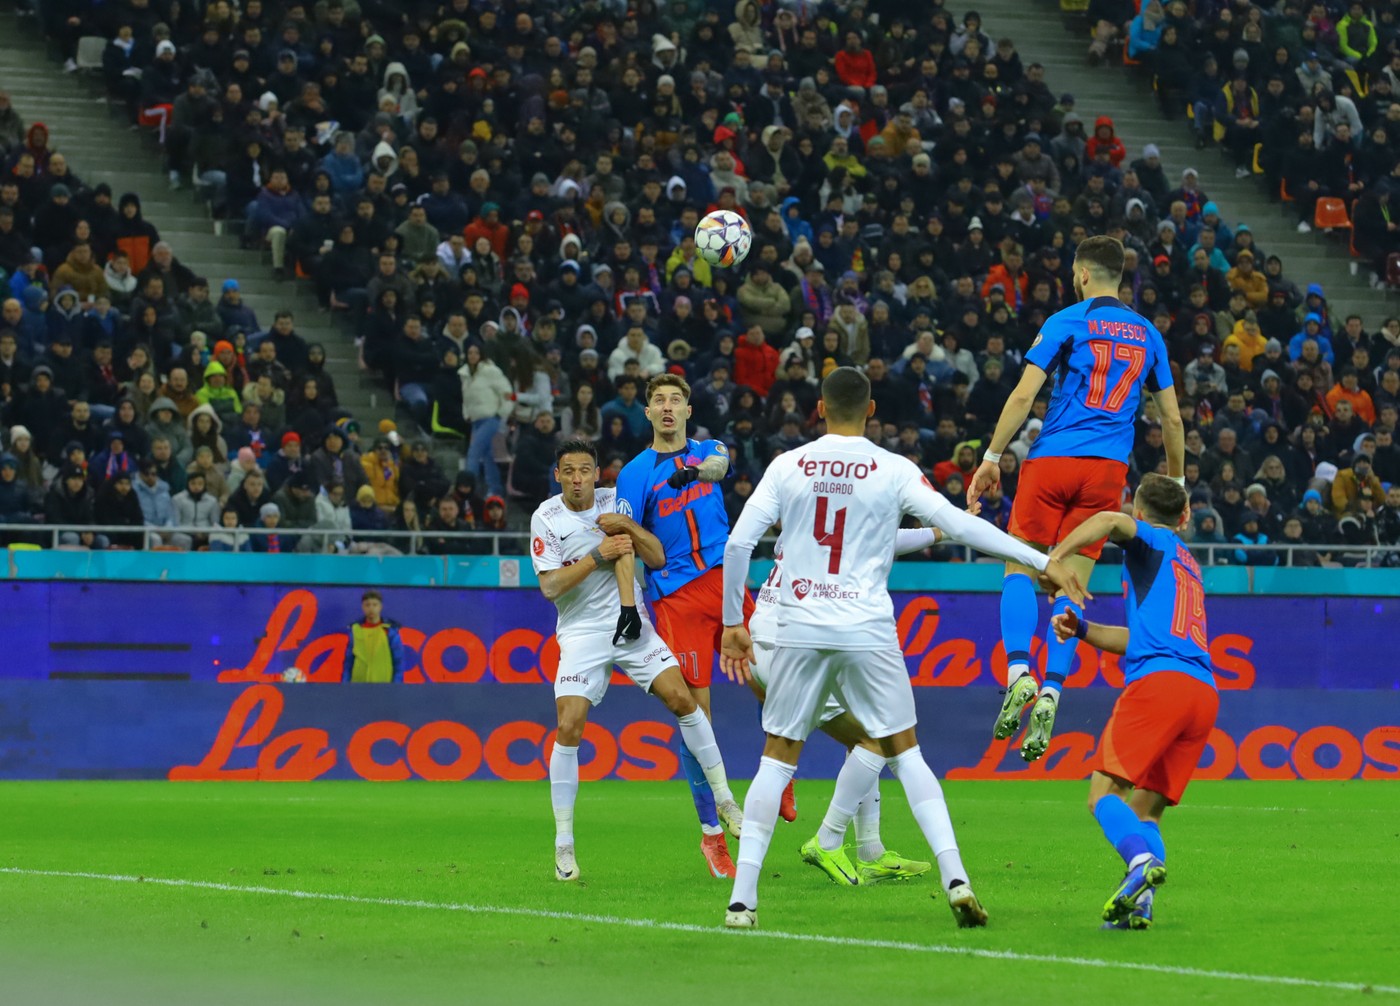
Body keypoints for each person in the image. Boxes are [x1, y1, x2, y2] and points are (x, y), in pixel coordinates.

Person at [718, 367, 1083, 930]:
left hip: (798, 626)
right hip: (866, 627)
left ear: (819, 408)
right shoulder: (892, 469)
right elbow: (959, 526)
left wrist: (731, 623)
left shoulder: (787, 466)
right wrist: (1041, 560)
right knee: (906, 753)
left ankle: (743, 901)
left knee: (777, 757)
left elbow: (740, 541)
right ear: (870, 412)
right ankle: (956, 879)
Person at [967, 236, 1185, 762]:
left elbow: (1024, 394)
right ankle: (1053, 690)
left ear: (1084, 275)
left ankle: (1020, 670)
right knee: (1074, 583)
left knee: (1020, 566)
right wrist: (1175, 487)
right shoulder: (1150, 334)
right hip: (1106, 474)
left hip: (1053, 461)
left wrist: (993, 456)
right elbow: (1172, 419)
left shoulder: (1068, 320)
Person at [533, 438, 742, 883]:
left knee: (683, 701)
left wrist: (629, 530)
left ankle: (725, 799)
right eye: (568, 471)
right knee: (568, 726)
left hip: (633, 625)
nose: (576, 479)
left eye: (584, 470)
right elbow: (550, 588)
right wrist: (596, 556)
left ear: (596, 474)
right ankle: (564, 844)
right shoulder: (546, 518)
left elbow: (657, 555)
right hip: (583, 633)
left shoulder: (617, 501)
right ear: (558, 476)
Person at [1046, 474, 1218, 930]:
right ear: (1185, 516)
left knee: (1103, 795)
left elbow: (1105, 520)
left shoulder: (1150, 540)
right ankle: (1140, 905)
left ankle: (1140, 864)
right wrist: (1083, 630)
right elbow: (1139, 639)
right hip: (1201, 692)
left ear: (1137, 512)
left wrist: (1055, 557)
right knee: (1144, 811)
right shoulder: (1188, 565)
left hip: (1160, 685)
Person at [613, 373, 756, 879]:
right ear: (647, 413)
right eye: (659, 401)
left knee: (779, 675)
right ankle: (712, 836)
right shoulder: (633, 475)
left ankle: (781, 777)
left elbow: (719, 466)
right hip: (676, 595)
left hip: (726, 579)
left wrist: (691, 474)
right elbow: (626, 541)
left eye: (676, 400)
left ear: (688, 410)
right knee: (698, 717)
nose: (668, 407)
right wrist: (630, 605)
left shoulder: (704, 448)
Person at [747, 531, 941, 883]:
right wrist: (940, 530)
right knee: (878, 740)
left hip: (764, 641)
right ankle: (828, 838)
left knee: (862, 737)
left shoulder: (806, 515)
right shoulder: (839, 514)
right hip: (793, 647)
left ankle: (871, 852)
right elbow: (885, 539)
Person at [345, 590, 406, 683]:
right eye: (367, 605)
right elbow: (348, 662)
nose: (371, 608)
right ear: (363, 607)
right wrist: (345, 685)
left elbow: (398, 662)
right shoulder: (355, 630)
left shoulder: (390, 631)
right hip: (357, 686)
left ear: (380, 607)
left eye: (375, 605)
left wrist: (396, 686)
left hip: (384, 687)